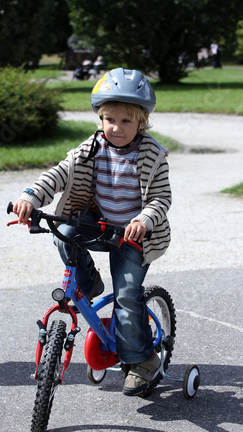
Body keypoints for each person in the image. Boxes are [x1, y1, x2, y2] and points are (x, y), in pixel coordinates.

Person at [12, 68, 171, 396]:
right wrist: (30, 196)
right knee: (62, 229)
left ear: (142, 122)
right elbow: (59, 173)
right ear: (100, 119)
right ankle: (89, 282)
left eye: (126, 121)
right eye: (109, 119)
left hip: (133, 236)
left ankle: (142, 360)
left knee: (127, 294)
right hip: (98, 224)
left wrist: (143, 219)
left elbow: (160, 198)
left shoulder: (153, 155)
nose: (116, 128)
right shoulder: (91, 149)